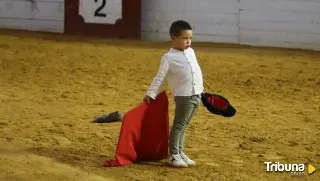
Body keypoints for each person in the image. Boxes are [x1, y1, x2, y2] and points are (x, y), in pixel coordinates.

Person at [143, 20, 204, 168]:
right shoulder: (168, 58)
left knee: (183, 126)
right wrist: (151, 93)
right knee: (179, 125)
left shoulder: (191, 52)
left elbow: (195, 71)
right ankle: (173, 154)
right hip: (184, 95)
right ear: (173, 37)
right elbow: (160, 77)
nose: (188, 41)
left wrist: (202, 91)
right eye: (185, 38)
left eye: (190, 38)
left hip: (196, 94)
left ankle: (180, 152)